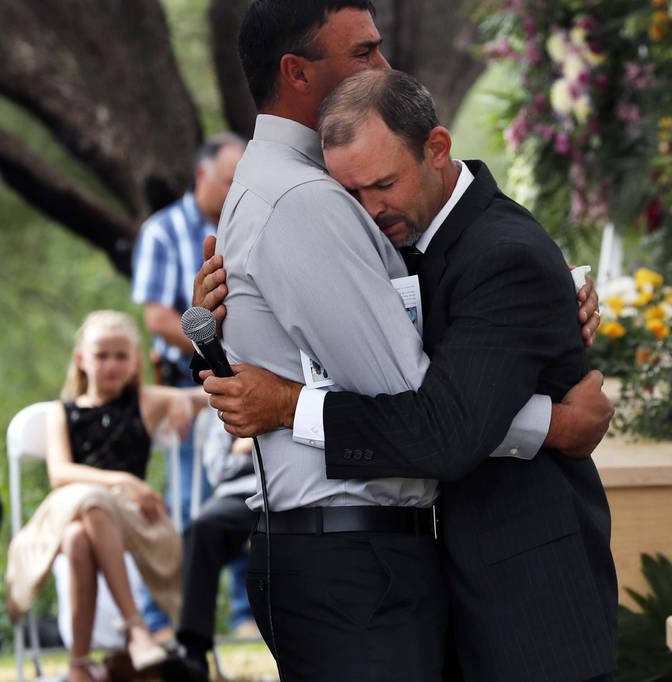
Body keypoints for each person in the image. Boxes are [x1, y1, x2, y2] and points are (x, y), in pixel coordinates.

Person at [183, 2, 610, 680]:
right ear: (297, 71)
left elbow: (434, 301)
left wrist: (550, 298)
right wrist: (552, 424)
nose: (385, 66)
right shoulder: (307, 200)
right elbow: (429, 413)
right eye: (363, 52)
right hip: (354, 567)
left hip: (363, 564)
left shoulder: (304, 187)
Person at [5, 311, 208, 682]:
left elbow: (208, 393)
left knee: (84, 527)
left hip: (129, 521)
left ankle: (78, 664)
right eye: (101, 355)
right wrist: (123, 482)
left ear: (135, 362)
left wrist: (181, 399)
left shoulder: (146, 402)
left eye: (120, 356)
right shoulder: (60, 413)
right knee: (84, 513)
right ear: (82, 358)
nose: (111, 365)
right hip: (70, 511)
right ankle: (135, 629)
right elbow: (60, 474)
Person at [131, 132, 254, 639]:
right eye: (230, 181)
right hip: (189, 389)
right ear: (202, 176)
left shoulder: (246, 228)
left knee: (247, 495)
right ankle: (163, 620)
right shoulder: (163, 231)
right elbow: (159, 319)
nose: (236, 191)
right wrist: (216, 349)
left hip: (246, 384)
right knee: (185, 504)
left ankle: (246, 615)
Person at [162, 410, 256, 682]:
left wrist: (244, 446)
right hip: (239, 494)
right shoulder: (225, 400)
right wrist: (260, 446)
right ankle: (193, 654)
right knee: (202, 528)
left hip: (289, 493)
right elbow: (218, 468)